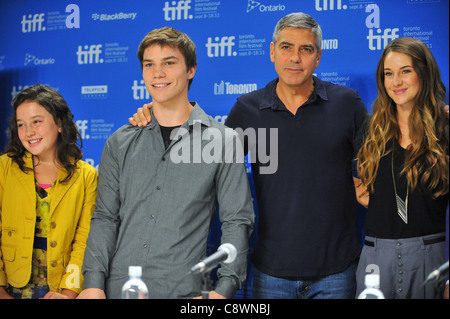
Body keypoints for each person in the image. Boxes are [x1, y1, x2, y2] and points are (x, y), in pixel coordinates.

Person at [130, 13, 369, 299]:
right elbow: (204, 165)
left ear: (318, 57)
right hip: (270, 274)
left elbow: (381, 162)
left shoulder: (347, 103)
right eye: (286, 47)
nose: (295, 58)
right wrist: (158, 114)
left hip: (336, 273)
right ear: (271, 51)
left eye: (305, 49)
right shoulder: (248, 109)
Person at [78, 27, 254, 299]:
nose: (157, 73)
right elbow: (105, 218)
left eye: (169, 63)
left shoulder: (224, 141)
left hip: (183, 292)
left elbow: (236, 222)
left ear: (191, 70)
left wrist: (223, 290)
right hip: (116, 290)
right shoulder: (119, 141)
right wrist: (93, 283)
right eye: (149, 65)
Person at [355, 37, 449, 299]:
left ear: (424, 73)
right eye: (388, 74)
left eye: (405, 71)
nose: (395, 82)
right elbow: (365, 190)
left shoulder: (445, 130)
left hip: (432, 258)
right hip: (375, 259)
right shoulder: (373, 132)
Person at [0, 84, 98, 299]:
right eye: (21, 124)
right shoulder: (4, 168)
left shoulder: (86, 175)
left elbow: (84, 241)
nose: (29, 132)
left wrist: (68, 293)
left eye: (37, 121)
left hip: (58, 289)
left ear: (60, 123)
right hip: (8, 287)